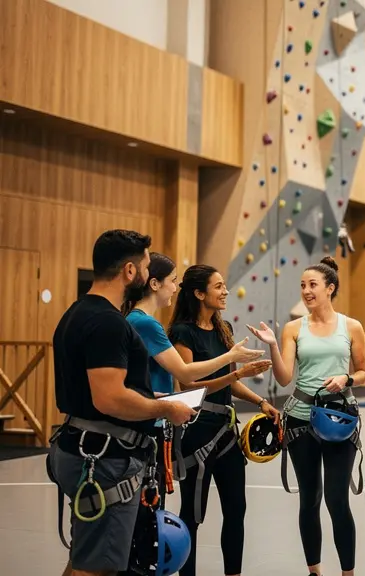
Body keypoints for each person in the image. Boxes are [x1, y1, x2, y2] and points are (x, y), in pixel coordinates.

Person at [49, 229, 195, 576]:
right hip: (104, 457)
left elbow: (102, 390)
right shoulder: (107, 323)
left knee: (86, 556)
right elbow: (110, 398)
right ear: (129, 271)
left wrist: (152, 398)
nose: (146, 273)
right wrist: (165, 408)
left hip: (85, 446)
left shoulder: (77, 313)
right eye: (144, 266)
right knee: (97, 567)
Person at [248, 256, 365, 576]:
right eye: (302, 285)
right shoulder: (293, 329)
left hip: (339, 419)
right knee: (310, 499)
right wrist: (273, 346)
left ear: (330, 288)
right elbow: (285, 378)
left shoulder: (351, 327)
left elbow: (364, 373)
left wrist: (346, 378)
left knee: (337, 500)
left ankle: (348, 573)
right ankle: (314, 571)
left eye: (313, 284)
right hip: (301, 421)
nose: (306, 291)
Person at [122, 252, 264, 503]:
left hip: (161, 422)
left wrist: (259, 401)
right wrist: (233, 361)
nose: (175, 287)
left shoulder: (141, 321)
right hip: (154, 425)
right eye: (172, 281)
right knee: (159, 509)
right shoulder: (148, 325)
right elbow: (186, 375)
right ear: (154, 284)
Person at [169, 265, 276, 576]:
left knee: (236, 509)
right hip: (196, 432)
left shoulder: (222, 327)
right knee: (192, 514)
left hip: (226, 432)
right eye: (218, 286)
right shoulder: (183, 332)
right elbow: (188, 386)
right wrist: (237, 373)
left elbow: (230, 383)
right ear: (199, 294)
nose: (225, 291)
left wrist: (261, 402)